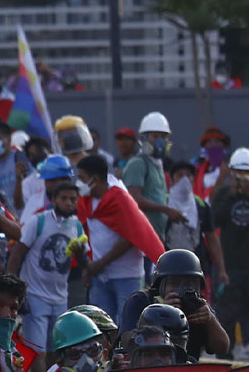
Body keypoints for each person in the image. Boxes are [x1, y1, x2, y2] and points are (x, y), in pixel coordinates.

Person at [6, 182, 87, 372]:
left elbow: (83, 262)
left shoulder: (77, 226)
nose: (69, 203)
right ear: (54, 200)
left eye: (73, 200)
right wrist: (12, 289)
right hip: (35, 295)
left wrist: (80, 254)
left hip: (60, 297)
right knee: (37, 350)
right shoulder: (38, 221)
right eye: (64, 199)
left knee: (57, 349)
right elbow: (17, 253)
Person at [75, 154, 164, 321]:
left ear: (94, 180)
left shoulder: (120, 198)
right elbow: (86, 234)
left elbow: (131, 237)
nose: (78, 182)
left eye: (82, 178)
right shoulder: (85, 201)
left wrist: (101, 263)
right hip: (99, 277)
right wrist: (87, 267)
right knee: (101, 328)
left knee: (128, 325)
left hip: (126, 275)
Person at [117, 249, 230, 360]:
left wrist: (210, 320)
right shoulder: (141, 300)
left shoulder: (197, 306)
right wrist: (156, 317)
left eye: (189, 284)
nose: (181, 289)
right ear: (160, 285)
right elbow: (127, 341)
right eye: (174, 283)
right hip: (147, 370)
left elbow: (222, 347)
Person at [211, 148, 249, 359]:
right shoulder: (223, 194)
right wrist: (232, 196)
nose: (242, 178)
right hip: (231, 267)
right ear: (231, 172)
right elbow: (215, 221)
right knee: (226, 316)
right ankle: (224, 357)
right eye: (238, 172)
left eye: (247, 173)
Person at [163, 160, 229, 276]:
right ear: (171, 180)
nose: (184, 179)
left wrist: (222, 269)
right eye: (180, 175)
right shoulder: (163, 204)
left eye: (188, 175)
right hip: (167, 268)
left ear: (193, 180)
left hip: (196, 268)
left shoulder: (201, 206)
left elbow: (212, 238)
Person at [123, 112, 174, 243]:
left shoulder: (157, 165)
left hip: (156, 237)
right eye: (155, 136)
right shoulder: (138, 163)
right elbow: (134, 199)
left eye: (164, 137)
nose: (160, 141)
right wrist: (166, 210)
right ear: (144, 139)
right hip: (142, 238)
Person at [194, 126, 230, 202]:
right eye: (209, 142)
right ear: (205, 146)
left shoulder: (231, 166)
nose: (213, 145)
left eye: (217, 141)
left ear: (224, 145)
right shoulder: (198, 169)